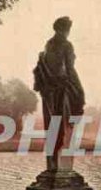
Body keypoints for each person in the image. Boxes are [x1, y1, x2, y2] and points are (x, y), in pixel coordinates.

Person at [33, 16, 86, 171]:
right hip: (63, 91)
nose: (68, 32)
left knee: (52, 127)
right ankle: (62, 168)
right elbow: (70, 69)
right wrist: (80, 90)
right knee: (64, 126)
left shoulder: (48, 45)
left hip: (48, 92)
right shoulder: (66, 45)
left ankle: (53, 164)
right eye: (67, 29)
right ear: (65, 29)